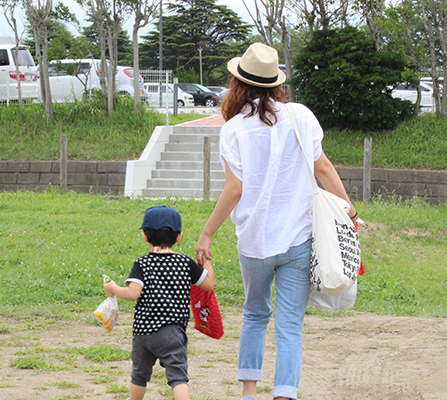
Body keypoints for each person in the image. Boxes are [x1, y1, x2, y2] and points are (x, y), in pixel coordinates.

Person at [194, 43, 358, 400]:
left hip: (255, 242)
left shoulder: (234, 130)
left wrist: (207, 234)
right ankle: (285, 394)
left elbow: (234, 189)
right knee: (290, 326)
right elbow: (323, 168)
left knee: (255, 315)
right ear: (275, 84)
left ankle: (249, 394)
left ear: (238, 83)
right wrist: (350, 212)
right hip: (298, 239)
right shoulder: (301, 116)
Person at [104, 205, 215, 400]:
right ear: (178, 237)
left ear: (145, 236)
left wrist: (113, 288)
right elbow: (208, 284)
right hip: (172, 333)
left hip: (143, 332)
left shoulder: (142, 264)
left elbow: (132, 293)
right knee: (178, 377)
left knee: (139, 375)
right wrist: (206, 261)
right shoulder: (185, 263)